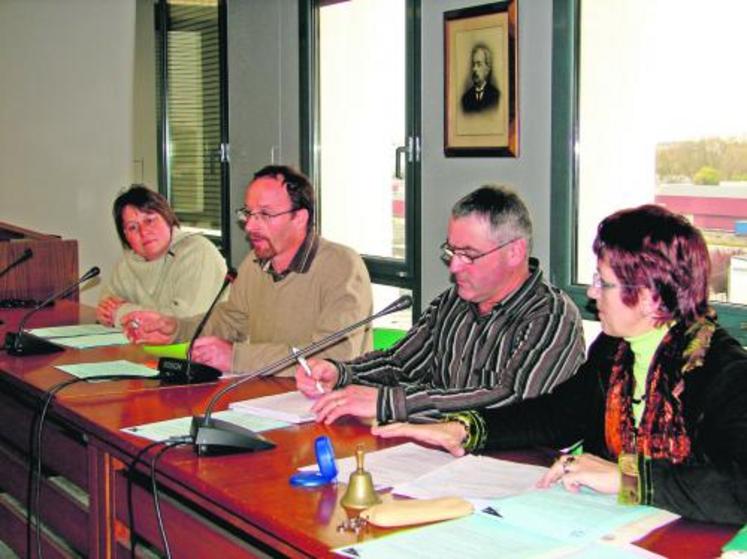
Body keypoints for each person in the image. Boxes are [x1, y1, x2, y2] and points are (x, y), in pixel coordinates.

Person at [373, 205, 747, 524]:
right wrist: (466, 429)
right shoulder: (614, 350)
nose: (591, 293)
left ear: (649, 297)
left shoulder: (722, 371)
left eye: (604, 282)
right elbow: (559, 414)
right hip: (605, 527)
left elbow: (739, 486)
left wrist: (627, 478)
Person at [297, 185, 585, 424]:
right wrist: (342, 372)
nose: (455, 266)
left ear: (514, 252)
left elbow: (513, 400)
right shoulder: (453, 302)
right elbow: (400, 363)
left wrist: (390, 403)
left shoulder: (552, 316)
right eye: (451, 251)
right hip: (435, 456)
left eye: (469, 254)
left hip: (513, 468)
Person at [122, 165, 373, 375]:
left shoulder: (342, 266)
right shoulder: (255, 263)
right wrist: (176, 328)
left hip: (334, 412)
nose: (250, 225)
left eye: (264, 214)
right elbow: (231, 321)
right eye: (248, 213)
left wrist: (236, 357)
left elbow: (330, 355)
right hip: (268, 400)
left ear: (300, 218)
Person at [96, 185, 227, 328]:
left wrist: (122, 313)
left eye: (149, 221)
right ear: (125, 236)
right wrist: (106, 314)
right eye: (133, 227)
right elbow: (106, 306)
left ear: (167, 217)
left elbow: (186, 321)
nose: (144, 232)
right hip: (150, 347)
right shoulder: (127, 263)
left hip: (209, 347)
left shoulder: (198, 252)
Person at [461, 44, 501, 114]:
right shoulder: (465, 98)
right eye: (473, 64)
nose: (474, 69)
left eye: (479, 64)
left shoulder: (496, 96)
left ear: (487, 69)